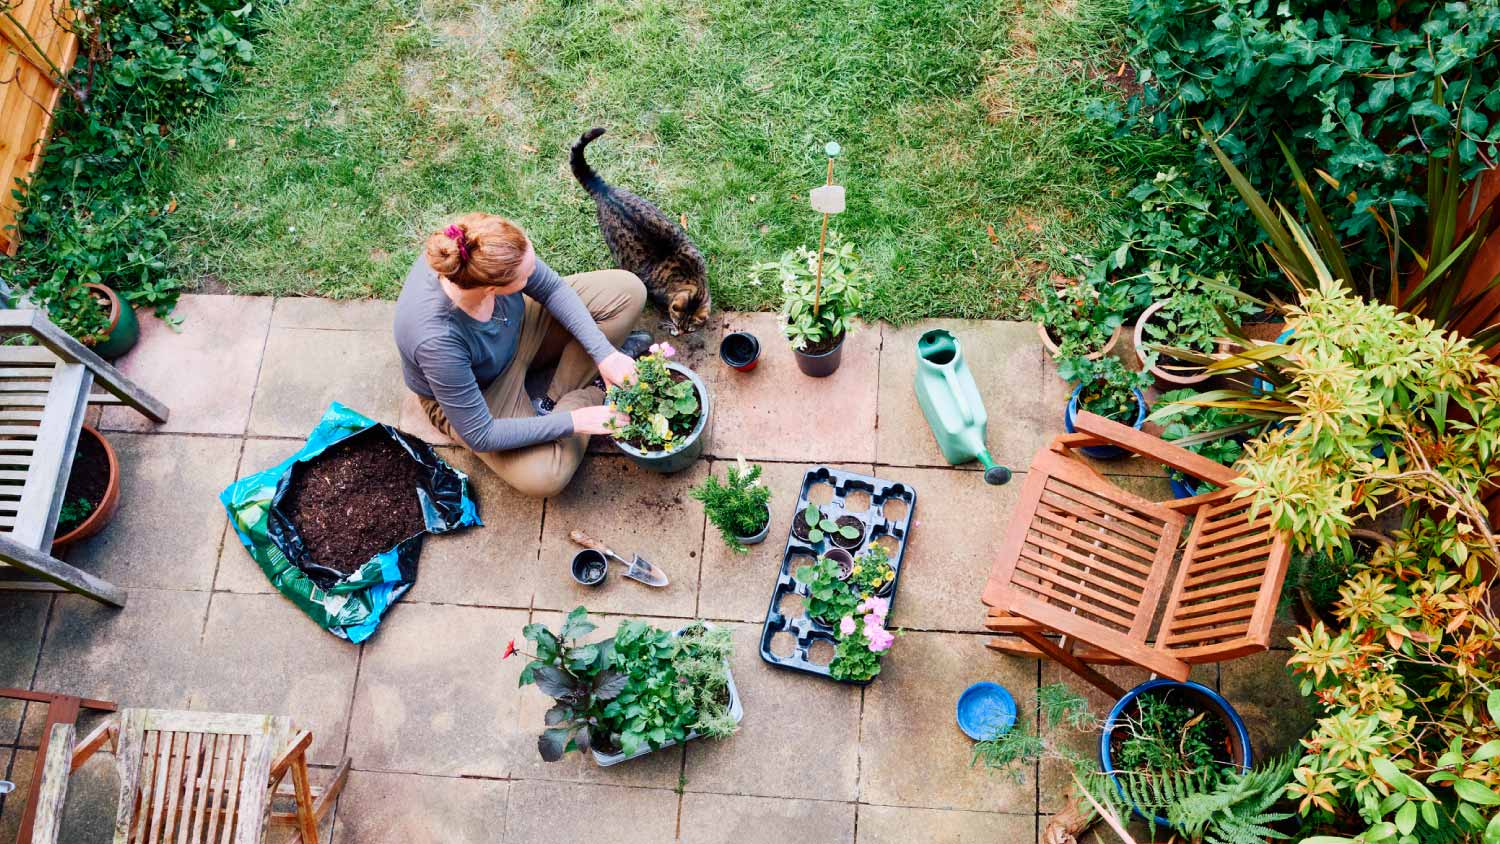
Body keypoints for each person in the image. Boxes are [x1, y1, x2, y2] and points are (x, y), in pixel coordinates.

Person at [394, 212, 649, 497]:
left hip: (519, 328)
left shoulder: (476, 247)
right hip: (483, 388)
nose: (533, 274)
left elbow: (552, 288)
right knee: (546, 477)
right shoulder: (435, 340)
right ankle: (591, 396)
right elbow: (482, 434)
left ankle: (552, 400)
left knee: (628, 292)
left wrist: (605, 355)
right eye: (526, 276)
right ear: (492, 288)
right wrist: (576, 421)